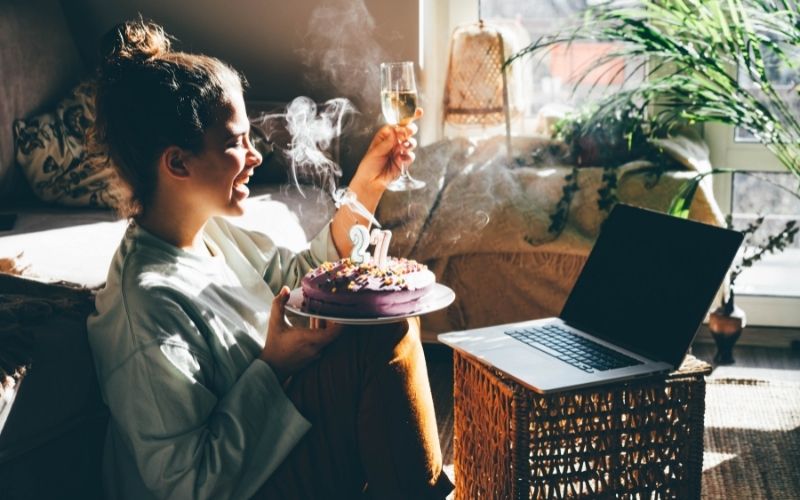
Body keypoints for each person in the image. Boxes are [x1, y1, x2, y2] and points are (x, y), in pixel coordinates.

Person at [86, 18, 453, 500]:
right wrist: (274, 366)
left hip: (275, 447)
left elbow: (304, 278)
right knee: (385, 331)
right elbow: (188, 483)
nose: (255, 155)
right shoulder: (148, 306)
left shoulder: (209, 232)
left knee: (386, 314)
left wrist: (368, 184)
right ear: (178, 163)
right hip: (243, 486)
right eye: (235, 142)